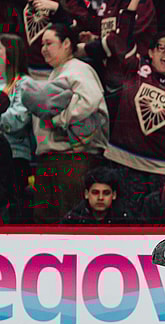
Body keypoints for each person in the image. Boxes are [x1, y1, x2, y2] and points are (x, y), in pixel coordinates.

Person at [90, 0, 165, 215]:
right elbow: (122, 37)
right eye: (162, 48)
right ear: (151, 52)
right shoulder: (135, 69)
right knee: (126, 222)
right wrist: (133, 4)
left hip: (159, 169)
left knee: (154, 224)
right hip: (124, 163)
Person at [19, 23, 109, 224]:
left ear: (67, 43)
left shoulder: (78, 69)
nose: (44, 49)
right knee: (46, 222)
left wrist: (61, 120)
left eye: (49, 43)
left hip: (72, 160)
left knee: (68, 223)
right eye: (42, 44)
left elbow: (91, 99)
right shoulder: (59, 72)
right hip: (53, 159)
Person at [0, 33, 33, 223]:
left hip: (15, 155)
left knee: (11, 207)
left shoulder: (24, 84)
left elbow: (17, 120)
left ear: (11, 54)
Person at [61, 165, 131, 224]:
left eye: (106, 193)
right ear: (86, 194)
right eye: (95, 192)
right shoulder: (72, 220)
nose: (100, 198)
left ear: (114, 195)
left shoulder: (125, 220)